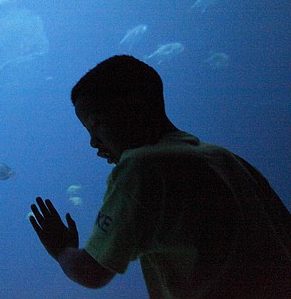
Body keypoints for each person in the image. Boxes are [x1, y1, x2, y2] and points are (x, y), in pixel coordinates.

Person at [29, 54, 291, 298]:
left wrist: (62, 250)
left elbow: (92, 271)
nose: (93, 142)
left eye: (96, 124)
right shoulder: (226, 159)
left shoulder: (141, 169)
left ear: (134, 107)